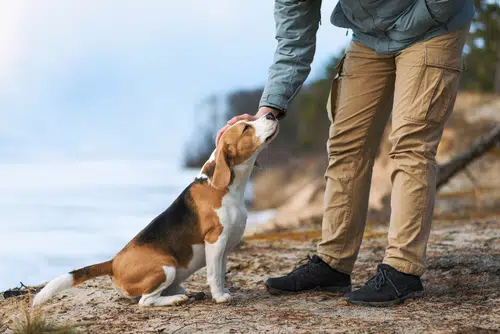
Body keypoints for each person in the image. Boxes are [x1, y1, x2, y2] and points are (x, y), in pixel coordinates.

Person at [216, 0, 474, 307]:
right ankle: (333, 263)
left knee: (410, 145)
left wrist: (421, 16)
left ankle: (403, 269)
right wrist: (267, 113)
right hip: (369, 36)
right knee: (345, 145)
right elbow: (293, 42)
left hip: (433, 24)